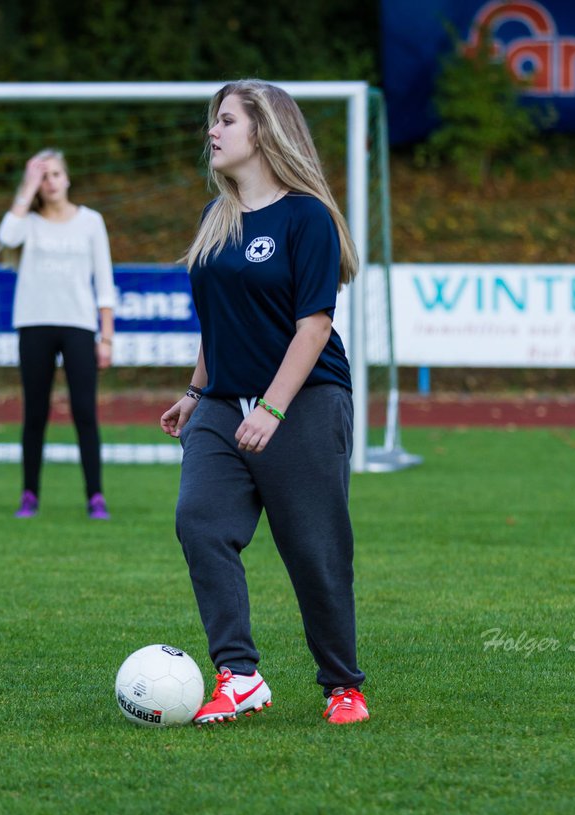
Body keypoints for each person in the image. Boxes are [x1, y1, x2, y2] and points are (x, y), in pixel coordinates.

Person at [159, 80, 369, 726]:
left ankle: (343, 686)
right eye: (212, 122)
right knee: (199, 521)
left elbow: (313, 328)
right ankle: (239, 675)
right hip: (223, 403)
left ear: (264, 131)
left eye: (225, 120)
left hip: (303, 401)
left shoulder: (306, 217)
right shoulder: (213, 219)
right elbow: (217, 324)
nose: (212, 132)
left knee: (313, 548)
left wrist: (272, 409)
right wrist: (196, 393)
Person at [0, 149, 117, 520]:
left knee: (84, 412)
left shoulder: (91, 222)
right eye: (43, 176)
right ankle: (29, 495)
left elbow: (105, 283)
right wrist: (27, 184)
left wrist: (107, 337)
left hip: (79, 326)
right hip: (34, 324)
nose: (50, 182)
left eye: (55, 175)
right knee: (35, 413)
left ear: (68, 178)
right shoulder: (28, 223)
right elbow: (5, 235)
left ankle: (95, 496)